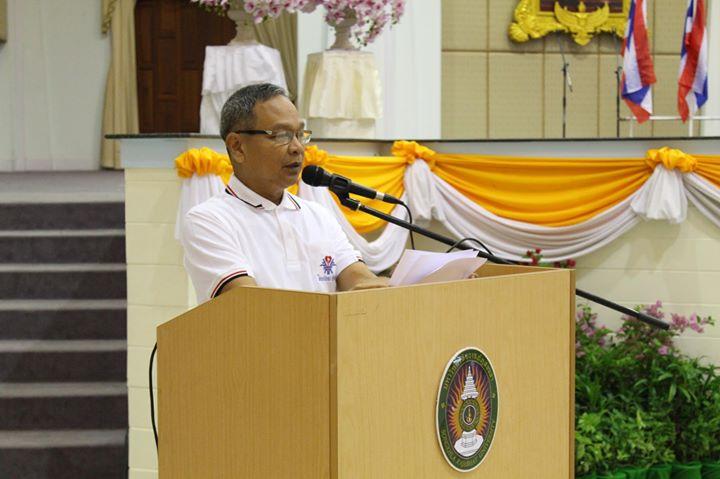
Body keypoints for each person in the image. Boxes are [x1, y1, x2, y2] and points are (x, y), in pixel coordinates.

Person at [180, 83, 389, 303]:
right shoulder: (209, 220)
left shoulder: (318, 216)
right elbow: (247, 303)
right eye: (281, 135)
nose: (297, 147)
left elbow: (357, 277)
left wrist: (379, 288)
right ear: (238, 147)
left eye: (299, 134)